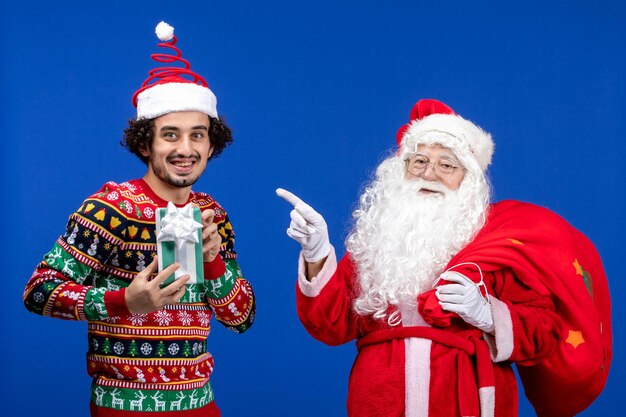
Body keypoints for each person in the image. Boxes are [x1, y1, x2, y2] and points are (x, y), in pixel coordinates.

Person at [277, 98, 610, 416]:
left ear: (467, 180)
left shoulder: (496, 244)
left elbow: (545, 332)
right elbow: (329, 325)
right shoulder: (377, 243)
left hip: (468, 399)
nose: (429, 173)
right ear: (400, 170)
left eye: (446, 164)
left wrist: (489, 315)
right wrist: (317, 251)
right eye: (419, 160)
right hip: (378, 402)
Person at [23, 21, 255, 416]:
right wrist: (123, 302)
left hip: (201, 404)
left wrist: (214, 263)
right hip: (123, 407)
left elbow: (241, 318)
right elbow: (39, 291)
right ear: (145, 142)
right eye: (170, 134)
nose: (186, 148)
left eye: (197, 135)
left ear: (212, 142)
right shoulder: (110, 208)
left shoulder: (212, 214)